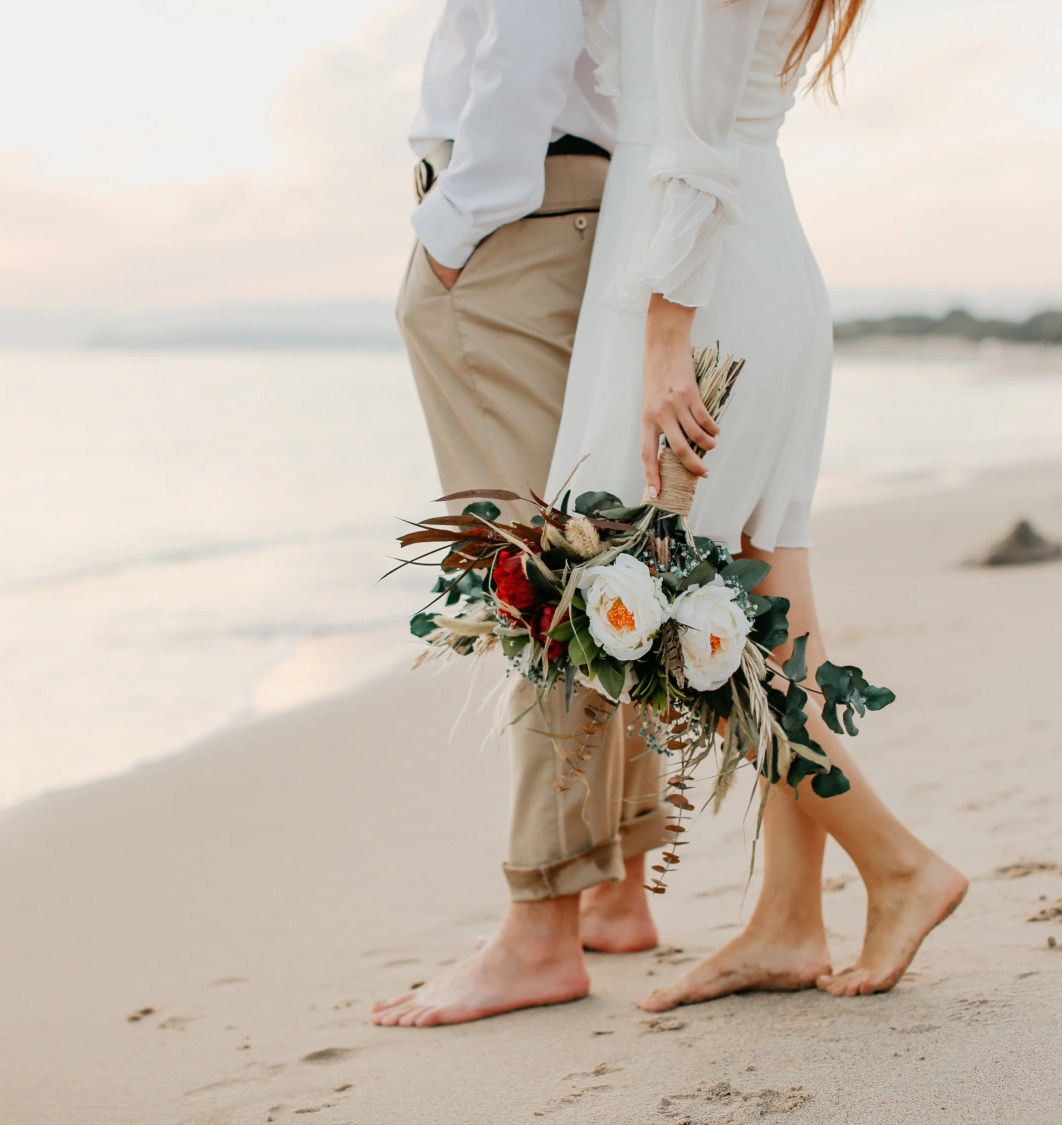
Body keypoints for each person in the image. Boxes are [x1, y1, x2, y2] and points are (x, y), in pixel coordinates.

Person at [544, 0, 968, 1010]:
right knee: (771, 615)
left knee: (682, 618)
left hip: (702, 289)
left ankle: (898, 863)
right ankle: (788, 920)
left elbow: (693, 145)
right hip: (725, 263)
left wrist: (664, 343)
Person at [375, 0, 673, 1028]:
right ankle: (617, 887)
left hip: (515, 214)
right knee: (601, 554)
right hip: (592, 199)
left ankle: (543, 924)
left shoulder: (487, 211)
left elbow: (528, 34)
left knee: (540, 575)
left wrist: (456, 219)